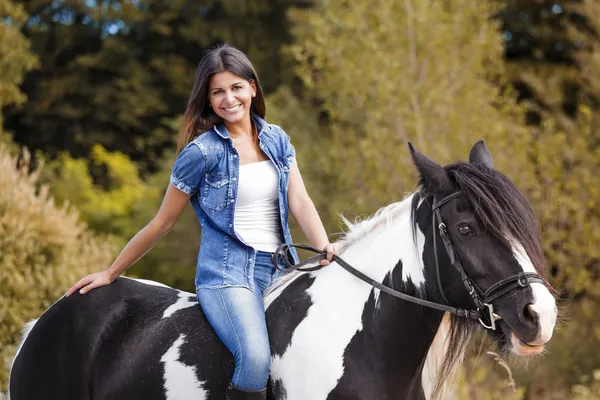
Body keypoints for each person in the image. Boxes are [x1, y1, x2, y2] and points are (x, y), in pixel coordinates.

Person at [65, 44, 337, 400]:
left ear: (253, 88)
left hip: (281, 269)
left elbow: (299, 200)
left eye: (236, 87)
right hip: (227, 276)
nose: (229, 98)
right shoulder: (201, 154)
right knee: (255, 360)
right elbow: (162, 223)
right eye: (218, 92)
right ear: (208, 100)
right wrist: (111, 272)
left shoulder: (277, 139)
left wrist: (323, 245)